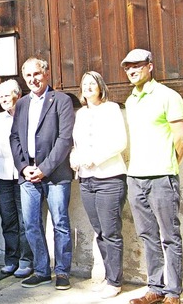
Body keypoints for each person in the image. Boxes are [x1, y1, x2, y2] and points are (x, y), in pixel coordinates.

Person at [121, 49, 183, 304]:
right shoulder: (131, 100)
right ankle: (155, 288)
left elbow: (181, 138)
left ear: (150, 66)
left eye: (137, 65)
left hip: (162, 176)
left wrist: (168, 164)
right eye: (128, 67)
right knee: (147, 235)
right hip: (135, 177)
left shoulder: (168, 96)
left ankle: (173, 293)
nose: (132, 71)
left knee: (170, 236)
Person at [10, 56, 75, 290]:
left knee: (60, 223)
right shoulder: (22, 104)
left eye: (36, 74)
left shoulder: (62, 100)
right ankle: (41, 270)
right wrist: (23, 167)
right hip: (28, 175)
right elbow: (15, 137)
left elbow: (65, 139)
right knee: (30, 223)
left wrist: (44, 168)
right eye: (28, 75)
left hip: (55, 174)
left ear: (46, 73)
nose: (32, 79)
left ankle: (62, 272)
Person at [70, 71, 127, 299]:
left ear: (101, 87)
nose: (88, 87)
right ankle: (108, 277)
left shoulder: (111, 109)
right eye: (84, 84)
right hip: (86, 179)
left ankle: (115, 281)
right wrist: (74, 158)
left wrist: (97, 157)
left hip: (109, 178)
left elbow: (120, 142)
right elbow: (77, 143)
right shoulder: (81, 114)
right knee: (100, 231)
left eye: (92, 83)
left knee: (111, 231)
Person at [0, 79, 33, 278]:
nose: (4, 99)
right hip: (4, 176)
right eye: (1, 96)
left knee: (26, 221)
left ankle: (26, 260)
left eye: (7, 95)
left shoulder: (27, 115)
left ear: (18, 96)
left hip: (23, 176)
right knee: (8, 220)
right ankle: (11, 259)